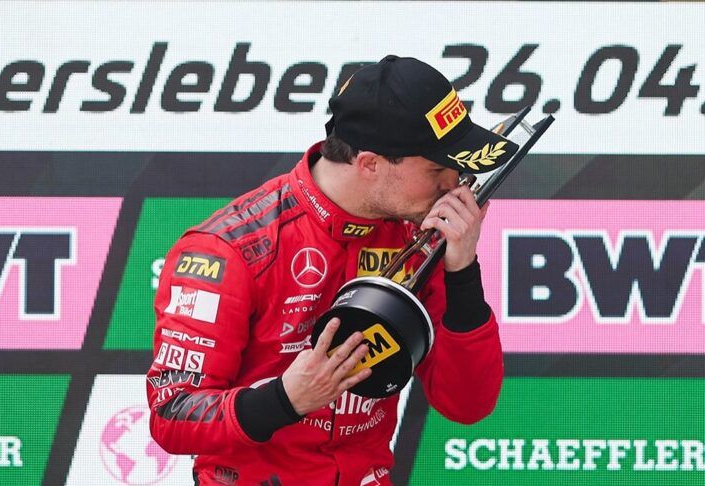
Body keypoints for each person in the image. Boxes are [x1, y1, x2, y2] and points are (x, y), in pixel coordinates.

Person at [146, 54, 518, 486]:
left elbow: (468, 404)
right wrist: (285, 399)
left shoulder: (418, 238)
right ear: (370, 163)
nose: (454, 184)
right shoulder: (230, 249)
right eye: (438, 168)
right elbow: (171, 413)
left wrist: (462, 270)